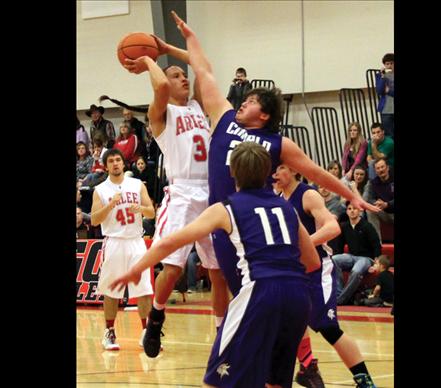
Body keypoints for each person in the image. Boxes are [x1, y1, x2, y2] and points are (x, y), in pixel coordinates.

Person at [171, 11, 379, 296]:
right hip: (222, 221)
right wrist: (190, 38)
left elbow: (315, 172)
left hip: (254, 225)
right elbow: (204, 71)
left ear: (265, 115)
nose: (243, 103)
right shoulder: (224, 117)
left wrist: (352, 195)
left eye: (252, 101)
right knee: (235, 292)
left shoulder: (279, 144)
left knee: (259, 294)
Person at [110, 142, 321, 388]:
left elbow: (171, 242)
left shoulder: (225, 208)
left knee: (216, 381)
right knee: (275, 382)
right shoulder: (286, 207)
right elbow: (312, 261)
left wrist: (136, 268)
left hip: (261, 291)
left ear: (231, 172)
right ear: (268, 172)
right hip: (298, 296)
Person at [119, 34, 230, 357]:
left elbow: (200, 63)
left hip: (210, 193)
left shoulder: (198, 105)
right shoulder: (161, 112)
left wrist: (167, 49)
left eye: (183, 76)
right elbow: (161, 88)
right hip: (181, 192)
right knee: (174, 268)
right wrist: (150, 61)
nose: (183, 78)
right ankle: (155, 317)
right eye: (176, 75)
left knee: (217, 271)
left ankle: (223, 334)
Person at [274, 164, 377, 388]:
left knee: (329, 328)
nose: (274, 173)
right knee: (291, 319)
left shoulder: (307, 194)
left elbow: (333, 227)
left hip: (317, 270)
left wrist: (303, 245)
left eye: (280, 168)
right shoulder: (277, 197)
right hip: (293, 272)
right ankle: (308, 366)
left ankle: (364, 381)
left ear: (293, 170)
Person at [91, 148, 155, 351]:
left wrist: (142, 209)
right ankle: (109, 332)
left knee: (144, 288)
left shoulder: (136, 184)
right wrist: (110, 206)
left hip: (136, 241)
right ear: (106, 165)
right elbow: (93, 220)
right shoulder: (100, 189)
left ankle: (145, 332)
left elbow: (152, 212)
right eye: (111, 161)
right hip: (114, 241)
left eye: (118, 159)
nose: (116, 163)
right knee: (112, 290)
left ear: (123, 163)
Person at [332, 202, 381, 305]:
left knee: (356, 270)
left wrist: (377, 262)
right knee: (334, 260)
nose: (352, 211)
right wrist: (340, 255)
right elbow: (339, 245)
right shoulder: (344, 226)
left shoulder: (367, 226)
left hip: (366, 258)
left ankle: (340, 300)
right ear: (347, 212)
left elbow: (376, 244)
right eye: (349, 209)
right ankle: (340, 295)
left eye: (354, 208)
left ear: (359, 211)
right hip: (351, 256)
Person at [365, 158, 394, 243]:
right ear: (375, 171)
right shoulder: (373, 183)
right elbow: (368, 199)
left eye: (382, 167)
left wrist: (387, 204)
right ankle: (377, 244)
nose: (381, 170)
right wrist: (376, 203)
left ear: (387, 168)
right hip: (384, 213)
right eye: (378, 168)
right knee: (370, 211)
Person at [376, 53, 394, 138]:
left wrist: (389, 91)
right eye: (387, 64)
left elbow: (387, 91)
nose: (390, 65)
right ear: (384, 65)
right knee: (389, 135)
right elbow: (379, 91)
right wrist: (383, 77)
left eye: (392, 63)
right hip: (386, 109)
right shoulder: (380, 76)